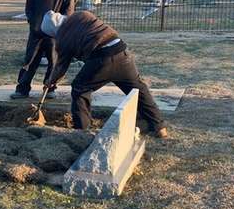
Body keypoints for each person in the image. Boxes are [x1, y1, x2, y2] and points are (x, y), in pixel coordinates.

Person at [40, 10, 169, 138]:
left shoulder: (62, 38)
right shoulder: (82, 14)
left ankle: (82, 131)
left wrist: (51, 81)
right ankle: (158, 127)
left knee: (80, 88)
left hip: (101, 59)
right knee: (138, 89)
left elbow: (61, 66)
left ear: (53, 31)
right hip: (122, 52)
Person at [10, 0, 75, 99]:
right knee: (30, 61)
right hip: (36, 31)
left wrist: (59, 27)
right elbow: (29, 6)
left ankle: (49, 88)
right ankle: (22, 88)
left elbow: (68, 11)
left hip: (54, 33)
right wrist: (32, 22)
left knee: (54, 61)